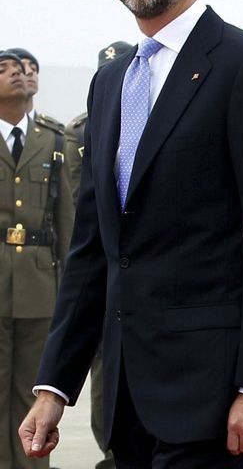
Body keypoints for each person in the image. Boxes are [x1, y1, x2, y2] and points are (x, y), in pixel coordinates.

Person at [18, 0, 243, 466]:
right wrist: (55, 384)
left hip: (216, 401)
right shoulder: (110, 83)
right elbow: (94, 249)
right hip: (125, 399)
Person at [61, 40, 134, 469]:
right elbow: (78, 209)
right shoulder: (81, 131)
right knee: (105, 363)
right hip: (101, 267)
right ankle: (110, 445)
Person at [1, 50, 72, 469]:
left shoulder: (55, 139)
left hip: (40, 287)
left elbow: (67, 223)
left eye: (28, 68)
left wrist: (71, 296)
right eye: (7, 68)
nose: (20, 73)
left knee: (35, 395)